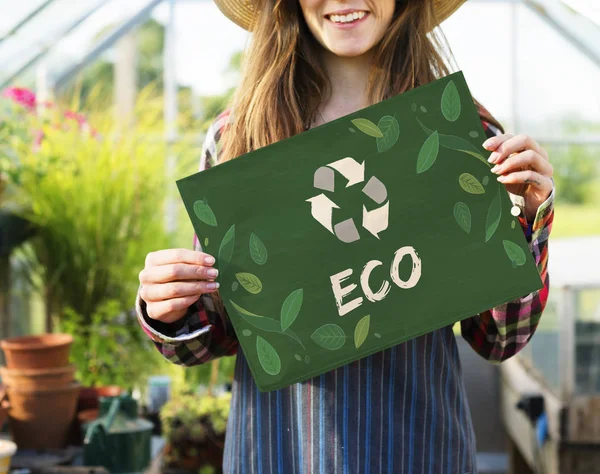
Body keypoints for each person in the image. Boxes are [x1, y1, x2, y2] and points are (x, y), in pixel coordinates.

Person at [136, 0, 555, 472]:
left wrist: (529, 222)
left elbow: (497, 338)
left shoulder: (461, 133)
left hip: (417, 449)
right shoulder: (239, 137)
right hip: (281, 451)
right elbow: (218, 333)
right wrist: (169, 306)